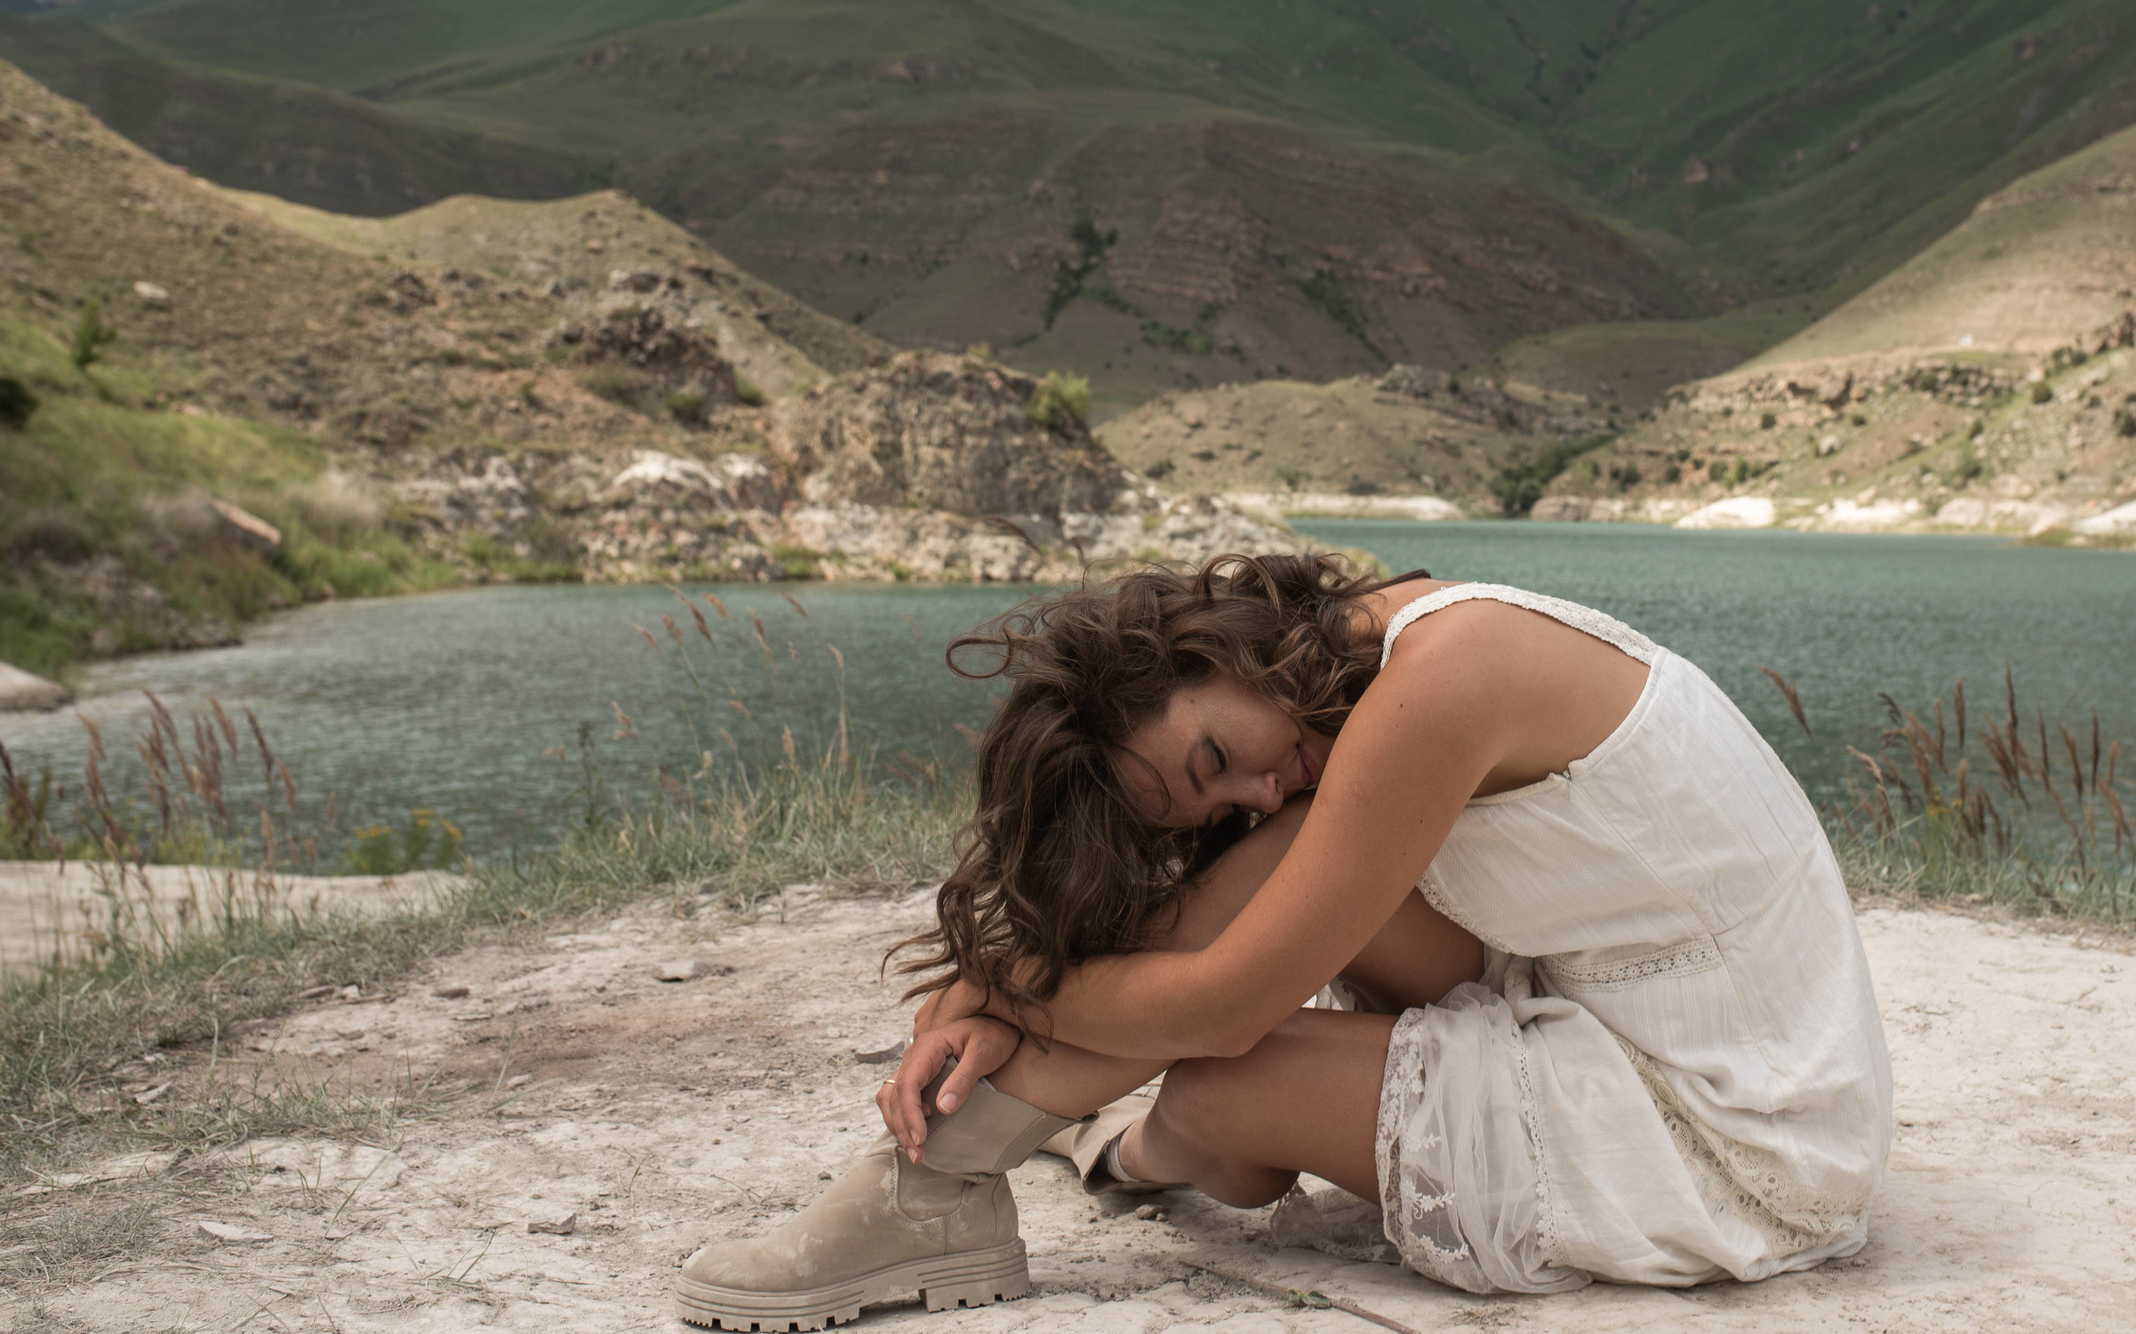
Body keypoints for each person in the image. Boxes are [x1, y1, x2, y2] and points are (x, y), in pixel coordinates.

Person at [677, 554, 1892, 1330]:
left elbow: (1219, 1007)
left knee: (1221, 1078)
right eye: (1206, 800)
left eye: (1212, 757)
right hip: (1615, 999)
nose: (1250, 788)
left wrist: (1006, 979)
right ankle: (947, 1183)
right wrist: (1011, 983)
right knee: (1262, 879)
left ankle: (1103, 1150)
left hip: (1730, 1117)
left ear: (1206, 652)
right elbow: (1238, 902)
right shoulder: (1369, 651)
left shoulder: (1449, 669)